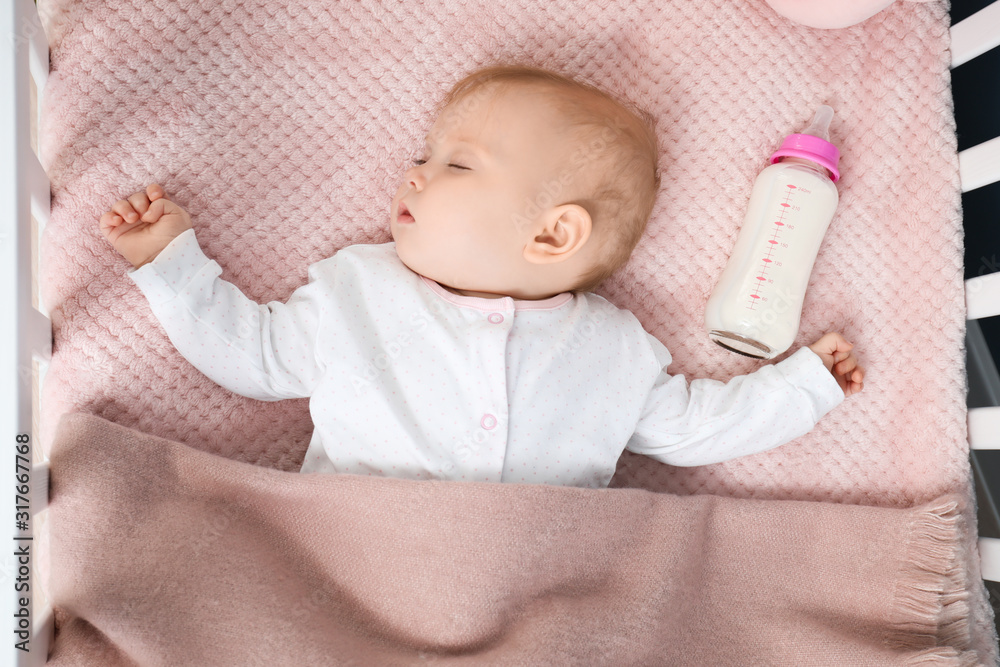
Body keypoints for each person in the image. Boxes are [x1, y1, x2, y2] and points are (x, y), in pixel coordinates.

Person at [98, 64, 864, 488]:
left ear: (554, 233)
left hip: (530, 592)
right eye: (423, 156)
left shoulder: (612, 350)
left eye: (456, 165)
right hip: (355, 565)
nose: (415, 174)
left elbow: (696, 424)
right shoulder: (357, 293)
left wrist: (802, 386)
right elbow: (255, 355)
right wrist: (169, 262)